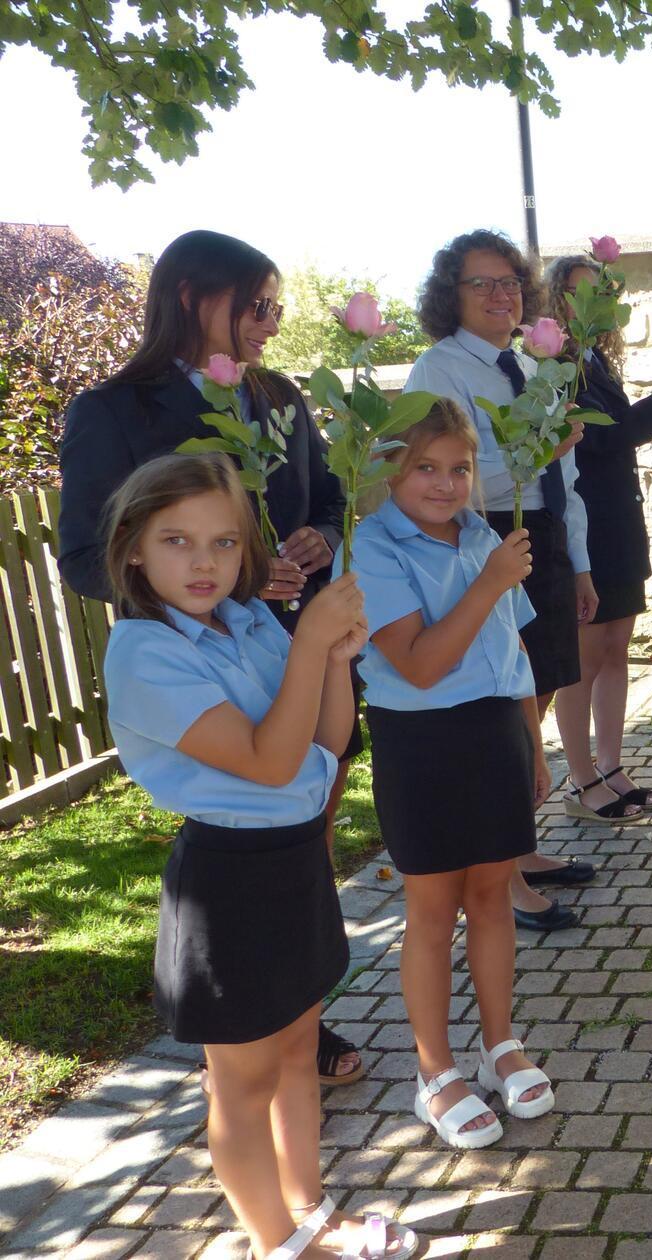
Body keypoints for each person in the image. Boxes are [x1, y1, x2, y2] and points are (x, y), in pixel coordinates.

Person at [56, 228, 365, 1089]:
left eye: (276, 307)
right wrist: (224, 583)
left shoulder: (280, 396)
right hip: (212, 672)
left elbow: (330, 498)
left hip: (296, 651)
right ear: (195, 296)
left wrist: (316, 540)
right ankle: (252, 1024)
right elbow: (85, 556)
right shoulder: (112, 411)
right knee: (250, 837)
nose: (269, 323)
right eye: (257, 305)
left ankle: (301, 1000)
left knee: (310, 823)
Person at [101, 453, 416, 1259]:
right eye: (176, 541)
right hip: (229, 880)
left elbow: (326, 743)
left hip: (294, 863)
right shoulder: (143, 652)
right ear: (133, 548)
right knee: (240, 1085)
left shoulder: (246, 623)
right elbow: (270, 763)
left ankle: (310, 1210)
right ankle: (276, 1240)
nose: (204, 563)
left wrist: (336, 660)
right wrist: (310, 639)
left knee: (295, 1054)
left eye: (223, 544)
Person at [349, 399, 557, 1149]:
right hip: (424, 739)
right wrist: (491, 581)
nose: (444, 484)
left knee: (493, 897)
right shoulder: (371, 547)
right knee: (433, 912)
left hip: (496, 731)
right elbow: (423, 665)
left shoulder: (482, 535)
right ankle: (434, 1073)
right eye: (425, 469)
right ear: (390, 473)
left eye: (459, 469)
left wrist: (534, 746)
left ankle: (501, 1045)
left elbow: (514, 653)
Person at [407, 229, 601, 928]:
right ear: (448, 297)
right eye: (481, 284)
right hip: (480, 546)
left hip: (538, 539)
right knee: (503, 714)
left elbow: (564, 475)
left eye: (510, 282)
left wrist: (577, 562)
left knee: (535, 698)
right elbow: (439, 479)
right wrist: (534, 455)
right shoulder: (440, 369)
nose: (501, 295)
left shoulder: (529, 366)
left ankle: (522, 849)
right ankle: (503, 878)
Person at [548, 254, 652, 816]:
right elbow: (606, 439)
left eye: (600, 296)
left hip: (620, 525)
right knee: (584, 658)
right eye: (582, 296)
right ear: (559, 302)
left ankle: (611, 764)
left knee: (616, 652)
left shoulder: (594, 360)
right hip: (588, 530)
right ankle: (581, 781)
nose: (595, 307)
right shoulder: (555, 365)